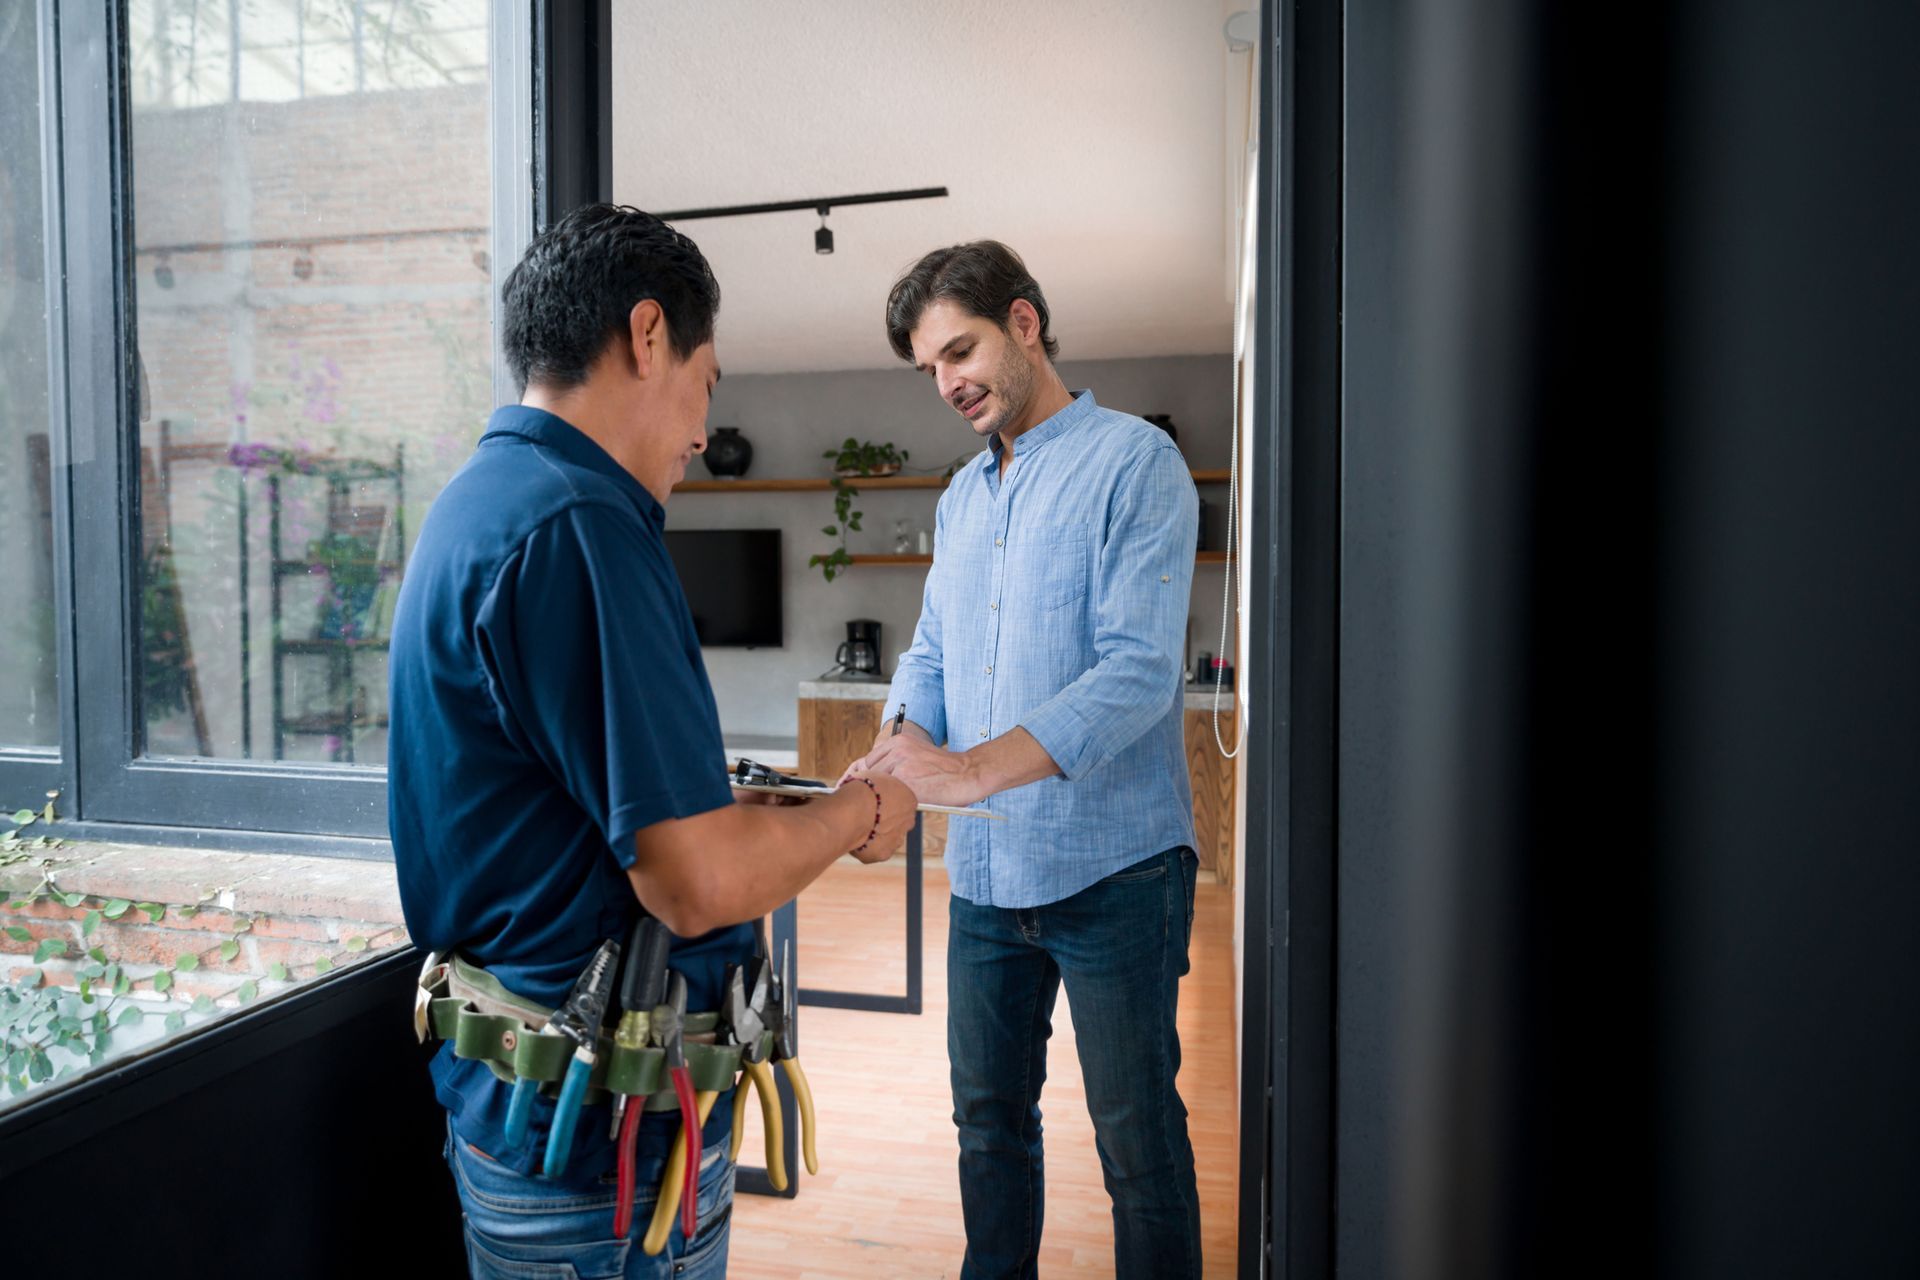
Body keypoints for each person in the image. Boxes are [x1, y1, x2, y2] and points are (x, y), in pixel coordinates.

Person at [388, 203, 918, 1278]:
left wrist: (745, 813)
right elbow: (694, 882)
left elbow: (569, 816)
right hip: (606, 1166)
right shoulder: (582, 525)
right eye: (707, 382)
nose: (698, 432)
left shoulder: (482, 502)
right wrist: (859, 810)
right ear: (644, 336)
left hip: (529, 1124)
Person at [847, 241, 1203, 1278]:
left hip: (1119, 873)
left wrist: (964, 774)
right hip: (988, 881)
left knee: (1138, 1145)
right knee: (988, 1127)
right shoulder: (962, 497)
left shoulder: (1137, 463)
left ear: (1026, 323)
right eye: (930, 367)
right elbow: (933, 652)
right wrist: (899, 741)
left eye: (961, 349)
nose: (949, 381)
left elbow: (1138, 673)